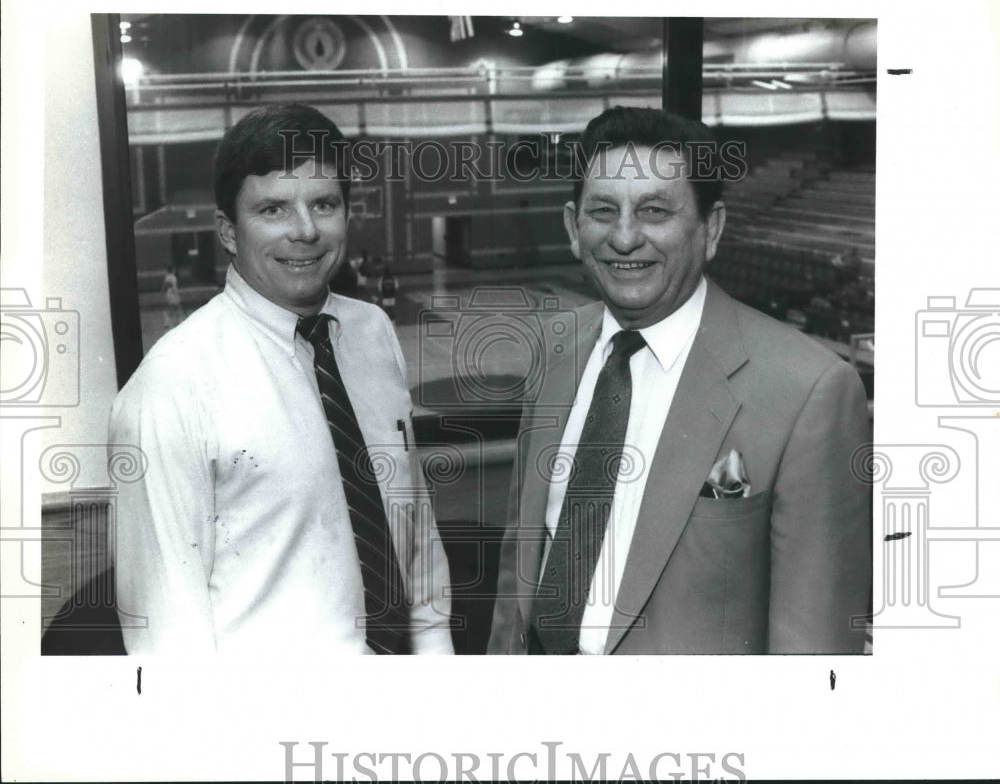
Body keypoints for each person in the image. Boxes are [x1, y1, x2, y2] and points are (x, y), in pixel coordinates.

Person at [488, 106, 871, 655]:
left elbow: (814, 654)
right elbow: (521, 557)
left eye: (654, 211)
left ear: (709, 229)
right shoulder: (555, 346)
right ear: (573, 227)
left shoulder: (809, 389)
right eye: (603, 210)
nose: (624, 238)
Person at [109, 103, 453, 654]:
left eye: (324, 204)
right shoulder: (172, 385)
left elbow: (415, 536)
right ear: (227, 230)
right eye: (273, 209)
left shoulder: (373, 332)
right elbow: (169, 639)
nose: (306, 230)